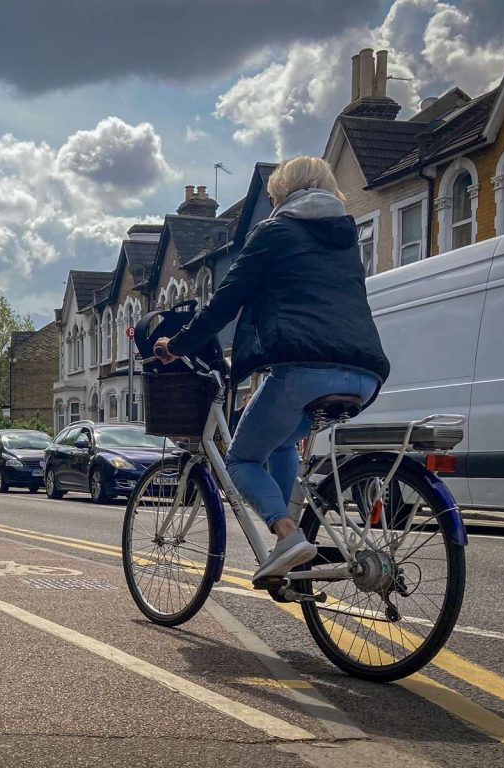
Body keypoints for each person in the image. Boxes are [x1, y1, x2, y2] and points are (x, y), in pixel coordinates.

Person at [153, 156, 390, 582]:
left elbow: (225, 300)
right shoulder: (345, 238)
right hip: (365, 374)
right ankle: (289, 553)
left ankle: (286, 532)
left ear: (282, 193)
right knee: (280, 444)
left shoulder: (276, 231)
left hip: (304, 369)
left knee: (242, 458)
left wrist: (178, 343)